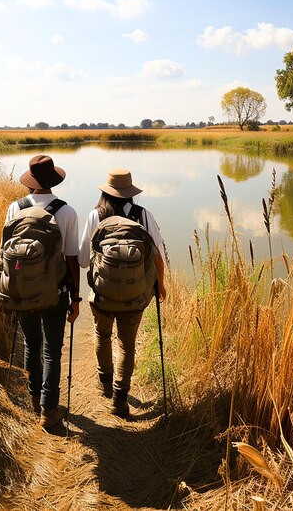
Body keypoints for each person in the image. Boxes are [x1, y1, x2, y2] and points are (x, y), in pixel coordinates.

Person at [78, 168, 166, 417]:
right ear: (130, 193)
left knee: (102, 334)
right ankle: (120, 398)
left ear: (106, 192)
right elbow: (157, 254)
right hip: (136, 296)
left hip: (103, 295)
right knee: (127, 344)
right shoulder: (143, 215)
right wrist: (161, 285)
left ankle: (105, 384)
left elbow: (84, 260)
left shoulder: (96, 216)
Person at [3, 155, 80, 430]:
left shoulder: (16, 207)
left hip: (22, 290)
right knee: (52, 351)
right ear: (53, 180)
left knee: (31, 345)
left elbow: (6, 251)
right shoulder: (66, 211)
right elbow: (72, 259)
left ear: (30, 181)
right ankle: (49, 410)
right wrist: (75, 297)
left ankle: (34, 401)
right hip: (55, 293)